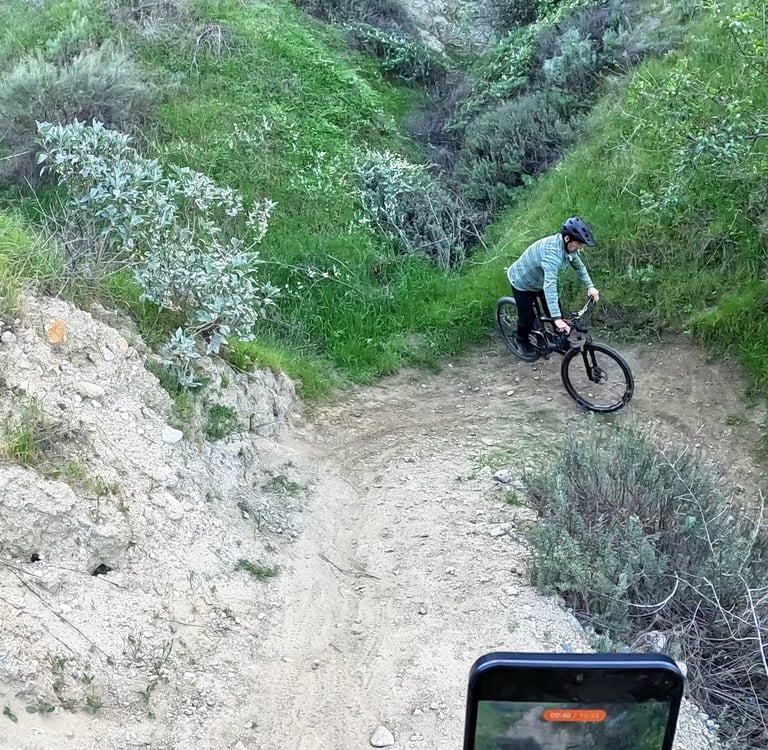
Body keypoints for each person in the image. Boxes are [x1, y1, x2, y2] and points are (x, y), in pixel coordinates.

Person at [506, 216, 600, 357]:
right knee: (527, 317)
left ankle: (560, 339)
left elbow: (579, 267)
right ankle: (521, 340)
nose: (581, 247)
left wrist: (590, 286)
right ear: (567, 239)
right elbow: (550, 286)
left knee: (556, 312)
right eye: (579, 243)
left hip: (539, 280)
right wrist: (556, 318)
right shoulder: (552, 254)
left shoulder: (568, 248)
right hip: (522, 282)